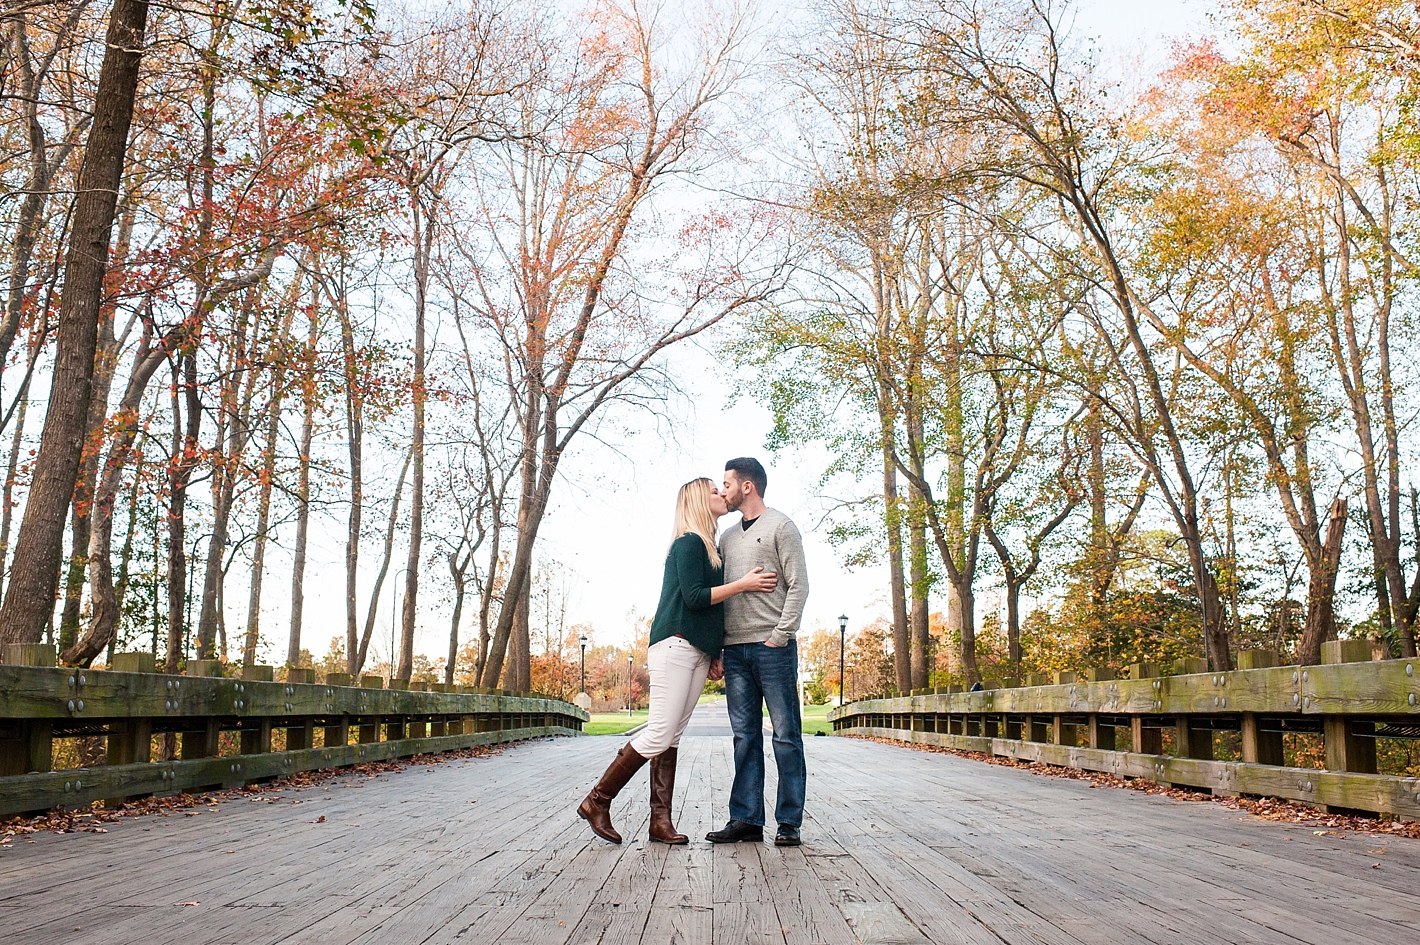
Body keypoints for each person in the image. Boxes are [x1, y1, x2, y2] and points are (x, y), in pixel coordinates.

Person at [576, 477, 778, 844]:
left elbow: (711, 612)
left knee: (671, 736)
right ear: (700, 502)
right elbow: (696, 598)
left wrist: (715, 651)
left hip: (697, 651)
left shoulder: (710, 548)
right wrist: (743, 584)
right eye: (715, 492)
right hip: (674, 647)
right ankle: (597, 800)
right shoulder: (688, 543)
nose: (722, 494)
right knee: (658, 732)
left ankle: (660, 821)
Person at [706, 457, 809, 847]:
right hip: (734, 652)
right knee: (744, 737)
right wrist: (718, 648)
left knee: (785, 735)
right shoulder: (727, 538)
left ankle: (788, 822)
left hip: (773, 649)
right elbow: (720, 596)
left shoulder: (782, 526)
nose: (723, 490)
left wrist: (781, 635)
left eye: (727, 483)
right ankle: (747, 819)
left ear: (747, 486)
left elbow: (799, 586)